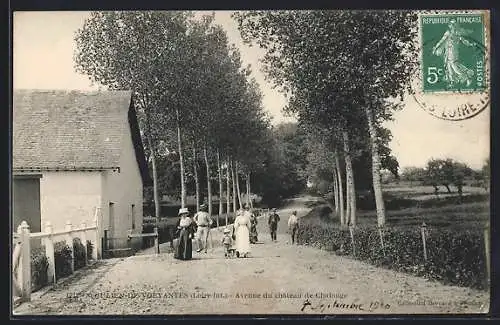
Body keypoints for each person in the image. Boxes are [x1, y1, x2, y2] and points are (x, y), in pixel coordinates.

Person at [432, 19, 476, 88]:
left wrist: (470, 44)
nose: (453, 26)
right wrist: (436, 47)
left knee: (454, 65)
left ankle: (467, 77)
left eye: (454, 24)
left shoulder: (457, 32)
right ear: (449, 25)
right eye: (451, 24)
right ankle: (452, 82)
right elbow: (442, 40)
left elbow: (463, 40)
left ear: (456, 25)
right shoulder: (448, 32)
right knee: (448, 66)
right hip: (447, 51)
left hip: (454, 52)